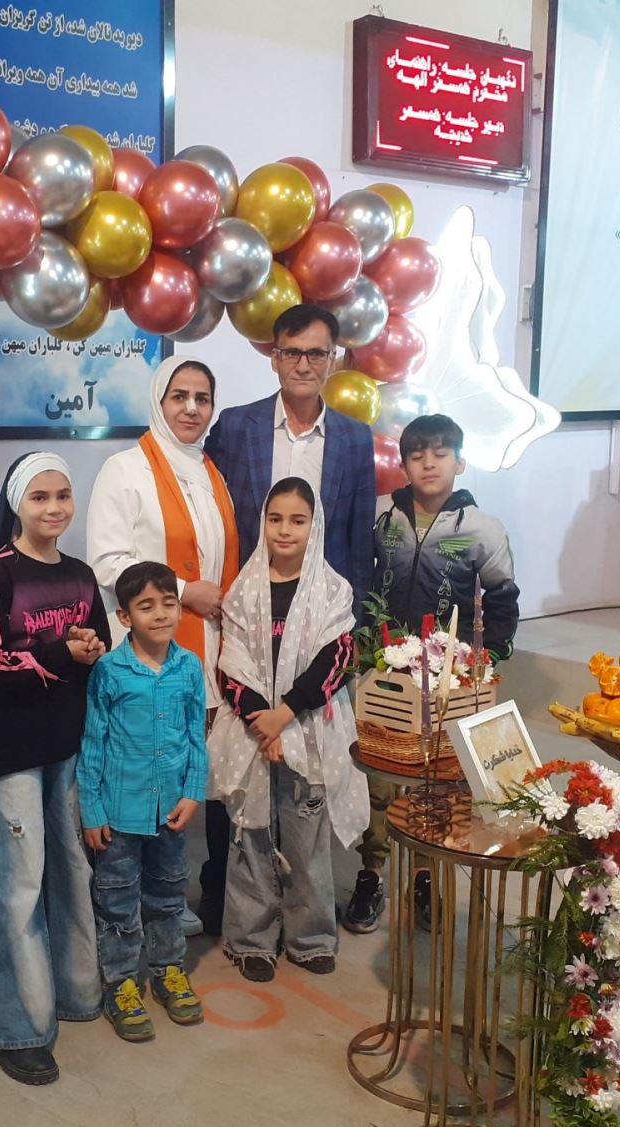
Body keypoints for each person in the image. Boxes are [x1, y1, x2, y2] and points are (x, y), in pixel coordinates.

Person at [201, 304, 376, 928]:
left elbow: (356, 537)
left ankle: (306, 908)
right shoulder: (236, 427)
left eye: (316, 353)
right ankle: (226, 891)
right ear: (273, 357)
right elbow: (220, 520)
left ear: (334, 359)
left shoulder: (354, 438)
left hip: (317, 625)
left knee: (308, 774)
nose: (303, 364)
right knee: (240, 750)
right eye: (291, 352)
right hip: (250, 617)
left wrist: (345, 633)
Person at [0, 452, 112, 1087]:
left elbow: (97, 644)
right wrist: (61, 649)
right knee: (20, 887)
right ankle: (14, 1029)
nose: (54, 508)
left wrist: (91, 649)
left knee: (73, 871)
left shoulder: (80, 575)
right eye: (40, 497)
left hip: (66, 746)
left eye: (63, 495)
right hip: (12, 754)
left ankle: (74, 993)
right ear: (17, 504)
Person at [344, 414, 521, 933]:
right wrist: (360, 645)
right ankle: (371, 873)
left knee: (434, 779)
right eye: (417, 455)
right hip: (383, 668)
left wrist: (488, 658)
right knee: (379, 776)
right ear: (403, 465)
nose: (428, 463)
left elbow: (503, 596)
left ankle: (424, 875)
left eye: (440, 454)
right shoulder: (382, 519)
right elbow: (358, 579)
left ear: (460, 463)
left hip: (446, 675)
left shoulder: (482, 528)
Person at [86, 357, 240, 937]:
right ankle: (122, 906)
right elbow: (107, 560)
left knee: (178, 769)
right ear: (159, 400)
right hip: (144, 659)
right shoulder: (124, 470)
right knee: (137, 773)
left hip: (201, 648)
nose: (192, 408)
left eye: (203, 398)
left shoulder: (210, 472)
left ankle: (165, 897)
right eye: (179, 396)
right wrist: (181, 590)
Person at [209, 478, 370, 981]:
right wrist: (265, 723)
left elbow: (335, 659)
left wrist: (286, 714)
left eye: (297, 521)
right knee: (251, 834)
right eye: (275, 519)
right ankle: (250, 939)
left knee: (307, 837)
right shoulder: (244, 589)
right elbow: (230, 664)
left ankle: (310, 936)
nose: (284, 530)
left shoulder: (332, 589)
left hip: (309, 728)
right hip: (253, 731)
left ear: (314, 526)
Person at [78, 561, 208, 1042]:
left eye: (168, 604)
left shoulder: (189, 667)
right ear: (125, 616)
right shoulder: (110, 672)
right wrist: (92, 809)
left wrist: (194, 791)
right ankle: (120, 983)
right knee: (116, 901)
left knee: (169, 895)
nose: (160, 614)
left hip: (170, 812)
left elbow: (196, 735)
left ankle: (169, 969)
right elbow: (93, 743)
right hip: (118, 816)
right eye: (146, 606)